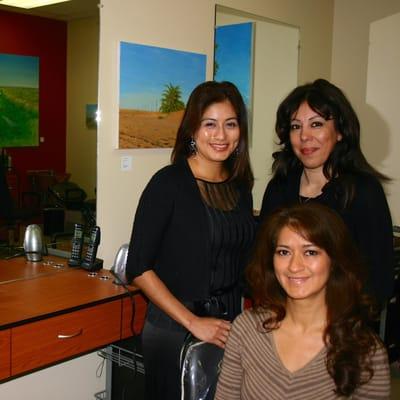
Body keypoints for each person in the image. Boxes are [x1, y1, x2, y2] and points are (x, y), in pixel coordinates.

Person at [125, 81, 256, 400]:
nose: (221, 135)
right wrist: (194, 322)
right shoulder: (167, 184)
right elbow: (139, 267)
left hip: (228, 323)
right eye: (209, 124)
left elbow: (243, 260)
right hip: (176, 326)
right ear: (192, 130)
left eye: (230, 124)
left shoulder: (240, 188)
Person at [215, 203, 390, 399]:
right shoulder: (247, 328)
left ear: (334, 261)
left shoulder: (365, 350)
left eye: (310, 252)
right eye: (284, 252)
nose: (294, 266)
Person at [259, 78, 394, 307]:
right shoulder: (279, 188)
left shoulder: (363, 192)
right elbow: (262, 262)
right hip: (283, 319)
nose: (304, 136)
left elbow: (378, 281)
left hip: (341, 327)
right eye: (295, 126)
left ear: (340, 131)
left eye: (316, 124)